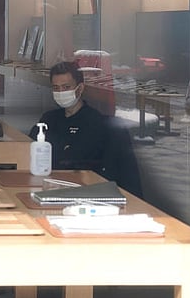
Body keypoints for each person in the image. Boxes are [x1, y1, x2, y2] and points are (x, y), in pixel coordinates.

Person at [29, 61, 143, 197]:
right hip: (49, 186)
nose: (61, 92)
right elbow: (29, 149)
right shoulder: (49, 119)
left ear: (80, 88)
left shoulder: (96, 123)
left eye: (66, 87)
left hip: (85, 190)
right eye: (56, 88)